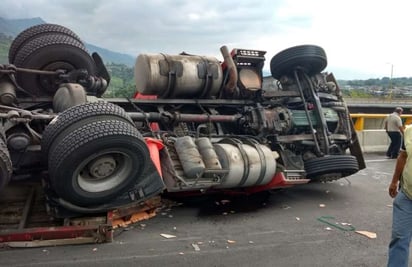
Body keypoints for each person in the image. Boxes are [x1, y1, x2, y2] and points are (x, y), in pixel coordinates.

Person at [387, 124, 412, 267]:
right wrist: (394, 181)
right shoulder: (409, 131)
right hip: (407, 195)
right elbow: (403, 156)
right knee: (399, 238)